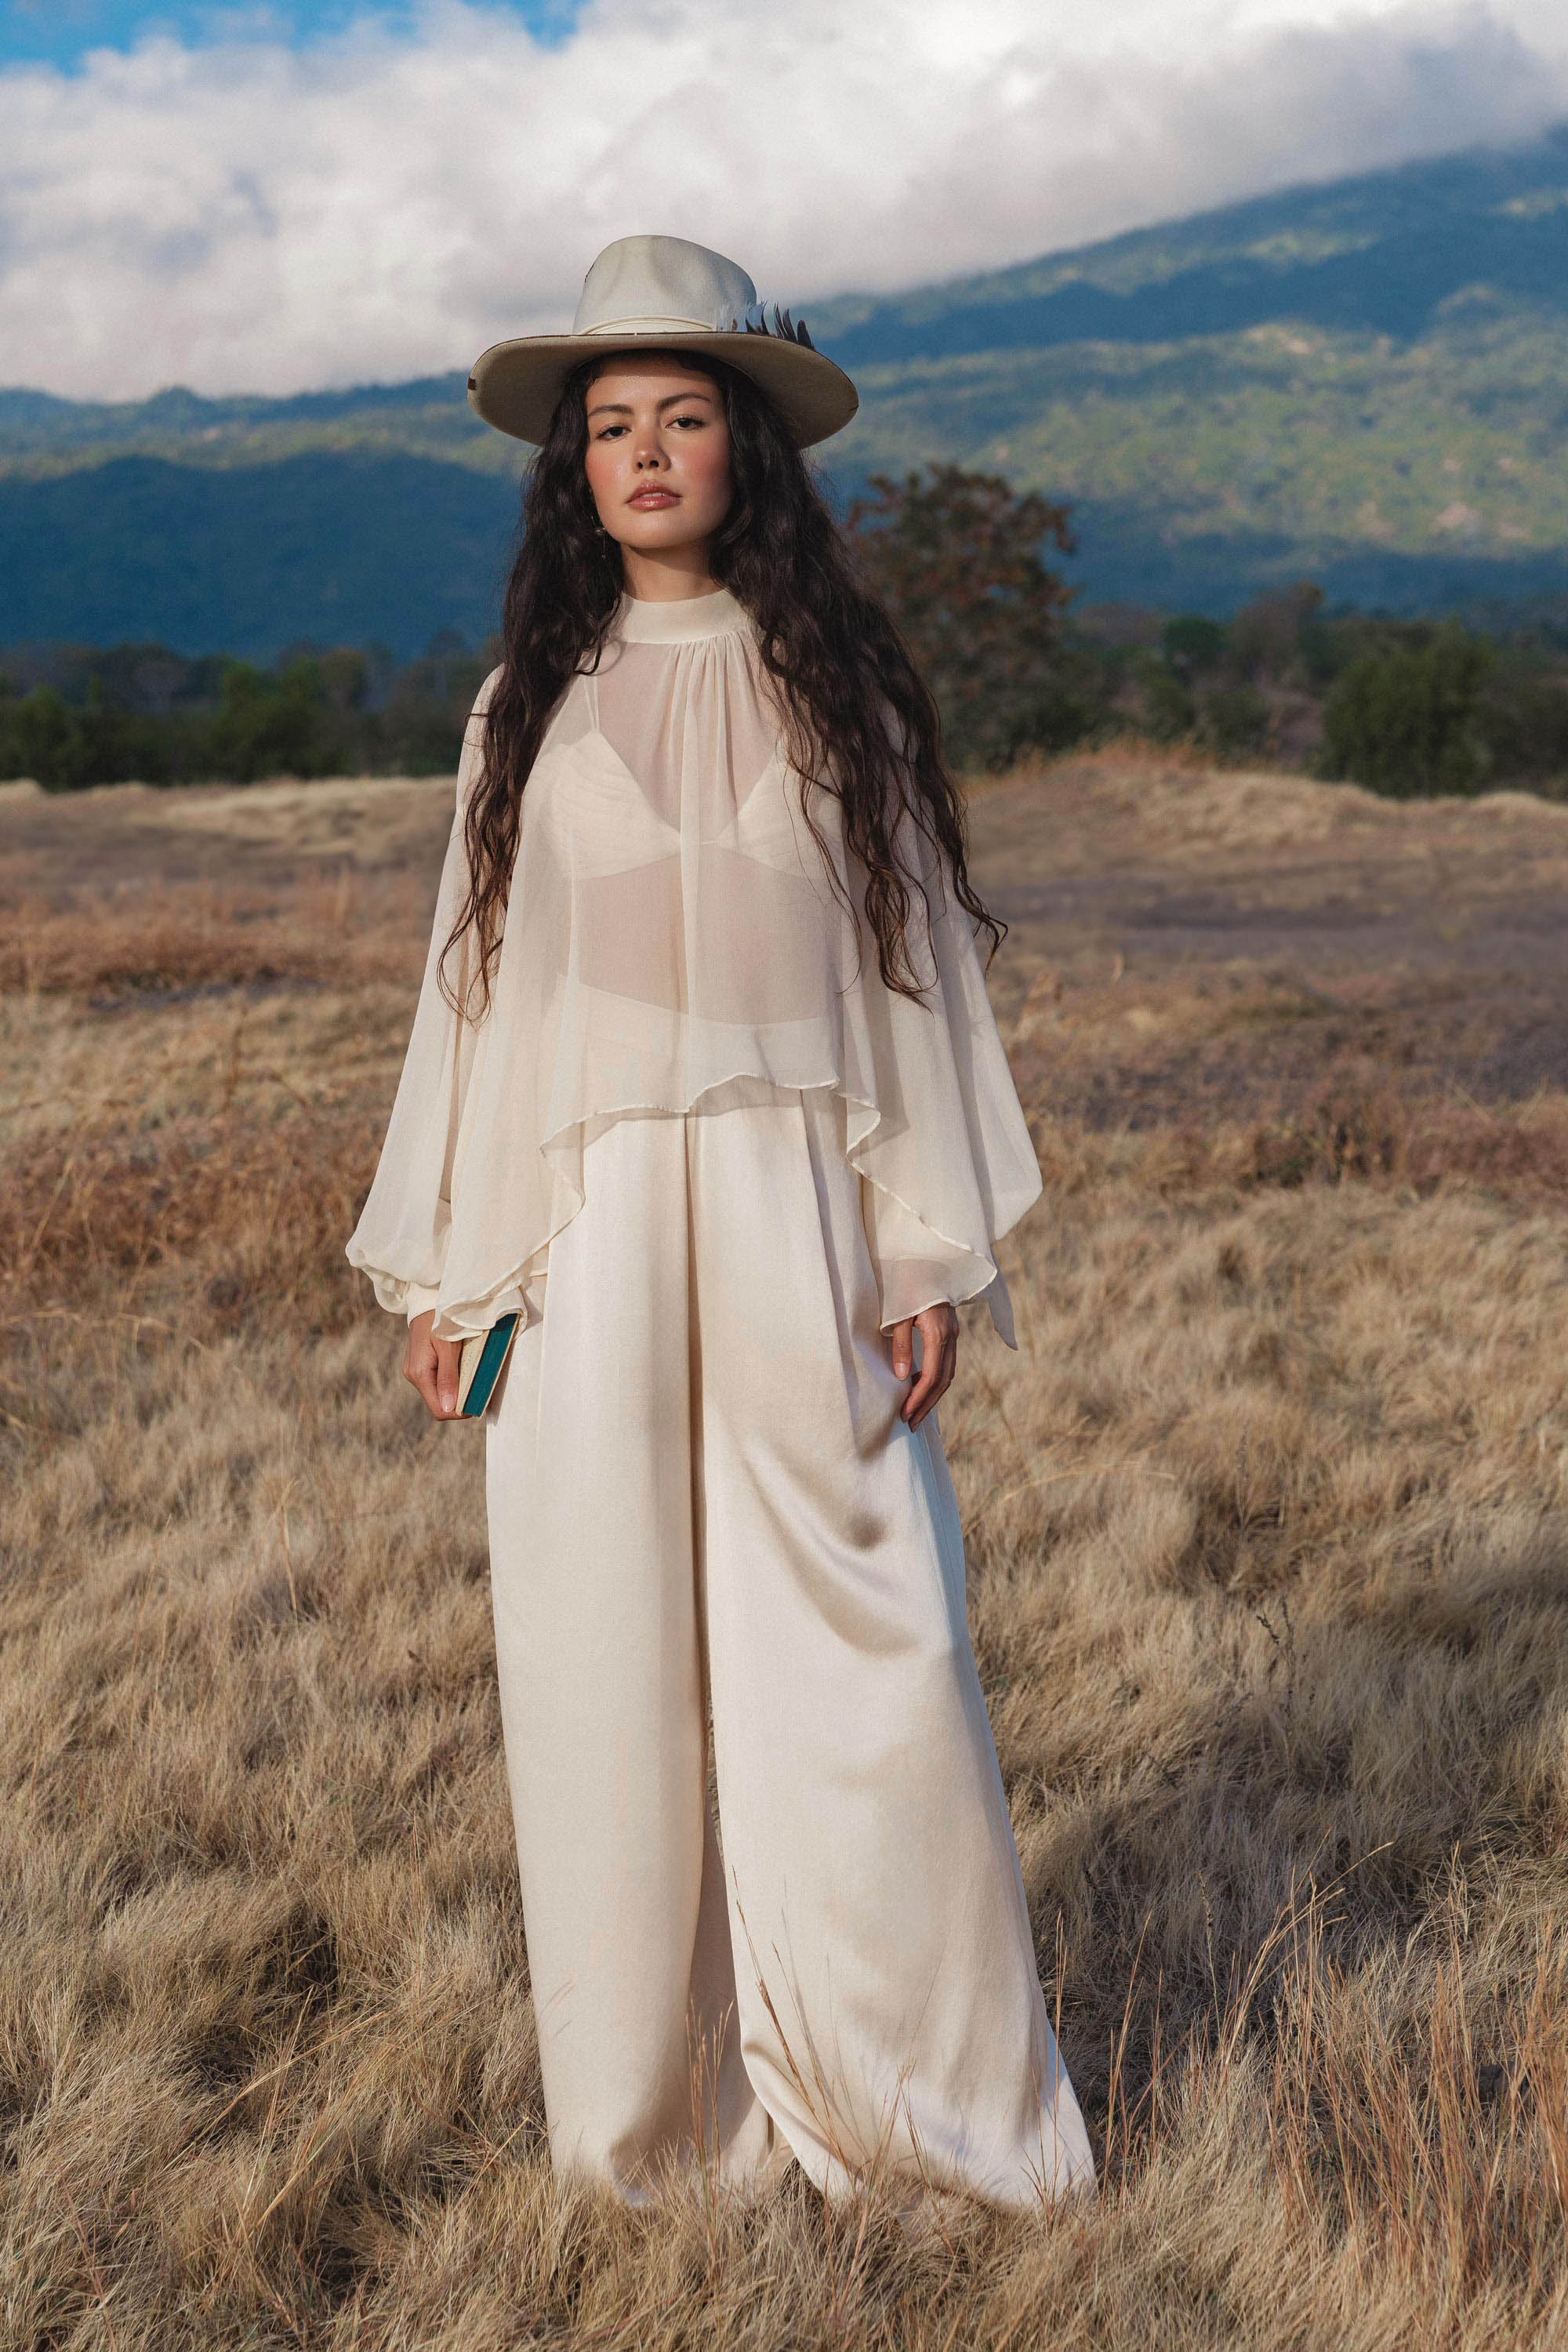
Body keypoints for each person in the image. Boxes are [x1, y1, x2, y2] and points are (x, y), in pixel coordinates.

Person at [346, 234, 1095, 2212]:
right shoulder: (530, 706)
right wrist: (451, 1267)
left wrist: (925, 1240)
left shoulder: (834, 685)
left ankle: (926, 2121)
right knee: (603, 1662)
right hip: (585, 1234)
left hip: (796, 1214)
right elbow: (474, 994)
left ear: (747, 449)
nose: (649, 451)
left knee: (872, 1645)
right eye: (612, 425)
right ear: (571, 470)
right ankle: (656, 2141)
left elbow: (914, 979)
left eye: (686, 415)